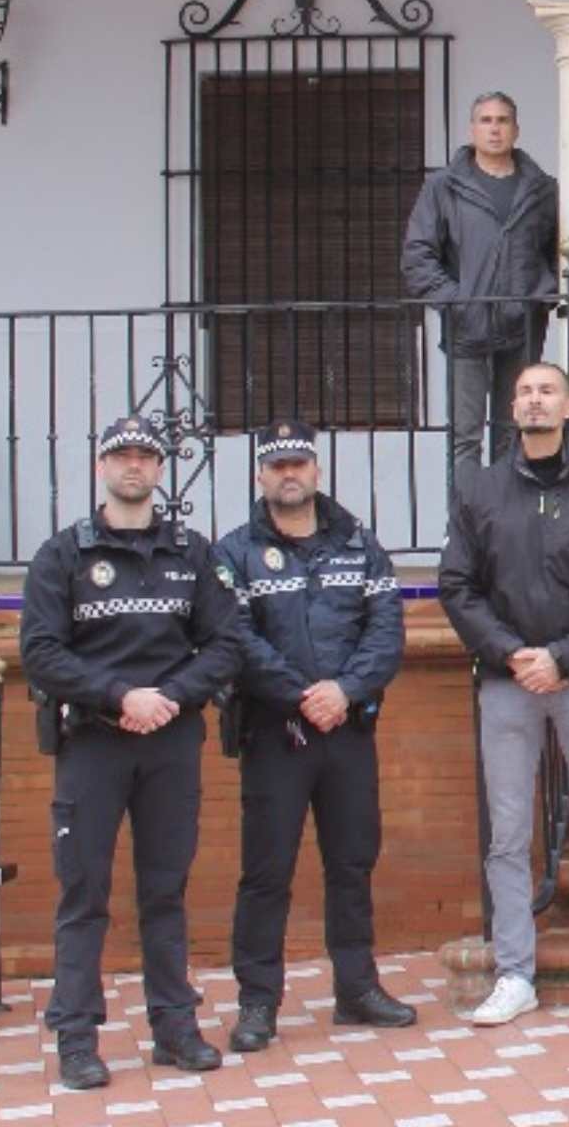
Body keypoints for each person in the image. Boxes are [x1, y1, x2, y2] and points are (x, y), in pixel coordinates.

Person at [20, 415, 247, 1091]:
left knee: (165, 891)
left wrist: (168, 696)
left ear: (159, 469)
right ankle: (77, 1039)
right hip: (93, 741)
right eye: (121, 455)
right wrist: (121, 696)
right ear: (101, 467)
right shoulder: (62, 554)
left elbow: (227, 641)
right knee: (83, 894)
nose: (134, 466)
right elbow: (41, 651)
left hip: (171, 739)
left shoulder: (193, 552)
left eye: (146, 456)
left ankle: (175, 1028)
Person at [438, 364, 569, 1027]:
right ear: (513, 407)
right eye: (524, 391)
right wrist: (512, 654)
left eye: (546, 390)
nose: (534, 399)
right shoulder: (480, 491)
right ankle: (514, 974)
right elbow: (458, 585)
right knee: (507, 835)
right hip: (507, 682)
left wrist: (564, 655)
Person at [216, 420, 416, 1056]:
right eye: (277, 466)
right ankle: (257, 1003)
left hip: (347, 731)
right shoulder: (232, 552)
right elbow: (234, 639)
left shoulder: (360, 543)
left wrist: (344, 691)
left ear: (317, 471)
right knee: (266, 872)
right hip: (276, 733)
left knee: (352, 864)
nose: (289, 474)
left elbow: (386, 632)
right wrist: (303, 694)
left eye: (298, 463)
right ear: (260, 477)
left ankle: (356, 990)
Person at [402, 91, 559, 474]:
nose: (494, 128)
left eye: (502, 120)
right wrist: (457, 301)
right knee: (465, 436)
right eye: (486, 120)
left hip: (522, 325)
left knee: (515, 428)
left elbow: (558, 249)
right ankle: (465, 528)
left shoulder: (542, 188)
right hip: (465, 327)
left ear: (516, 129)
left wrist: (542, 293)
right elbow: (417, 255)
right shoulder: (444, 186)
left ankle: (506, 526)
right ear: (472, 129)